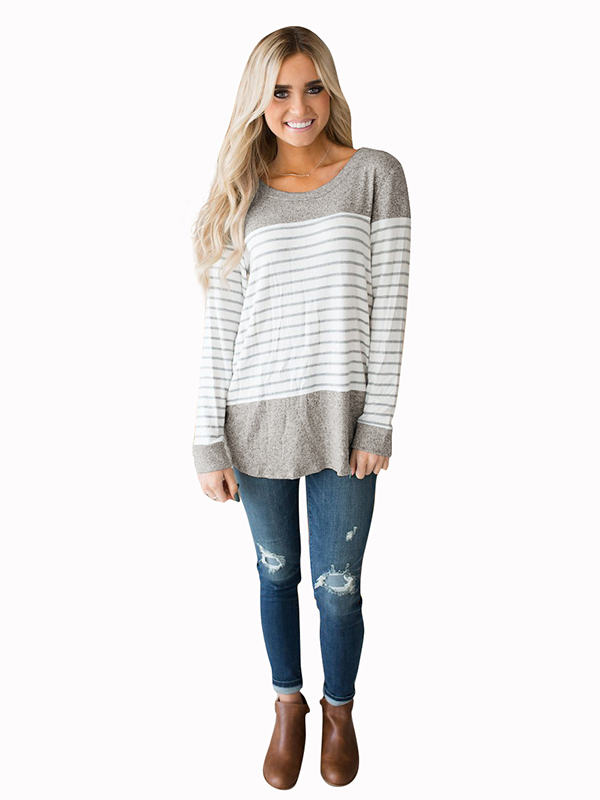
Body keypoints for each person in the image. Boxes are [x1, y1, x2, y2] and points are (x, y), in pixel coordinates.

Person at [190, 26, 411, 789]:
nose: (298, 106)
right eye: (280, 91)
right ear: (259, 101)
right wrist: (207, 441)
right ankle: (289, 705)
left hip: (344, 424)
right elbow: (221, 328)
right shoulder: (240, 196)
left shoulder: (375, 175)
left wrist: (377, 421)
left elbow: (391, 308)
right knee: (275, 574)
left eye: (313, 86)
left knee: (337, 588)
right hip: (253, 423)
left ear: (332, 90)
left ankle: (339, 709)